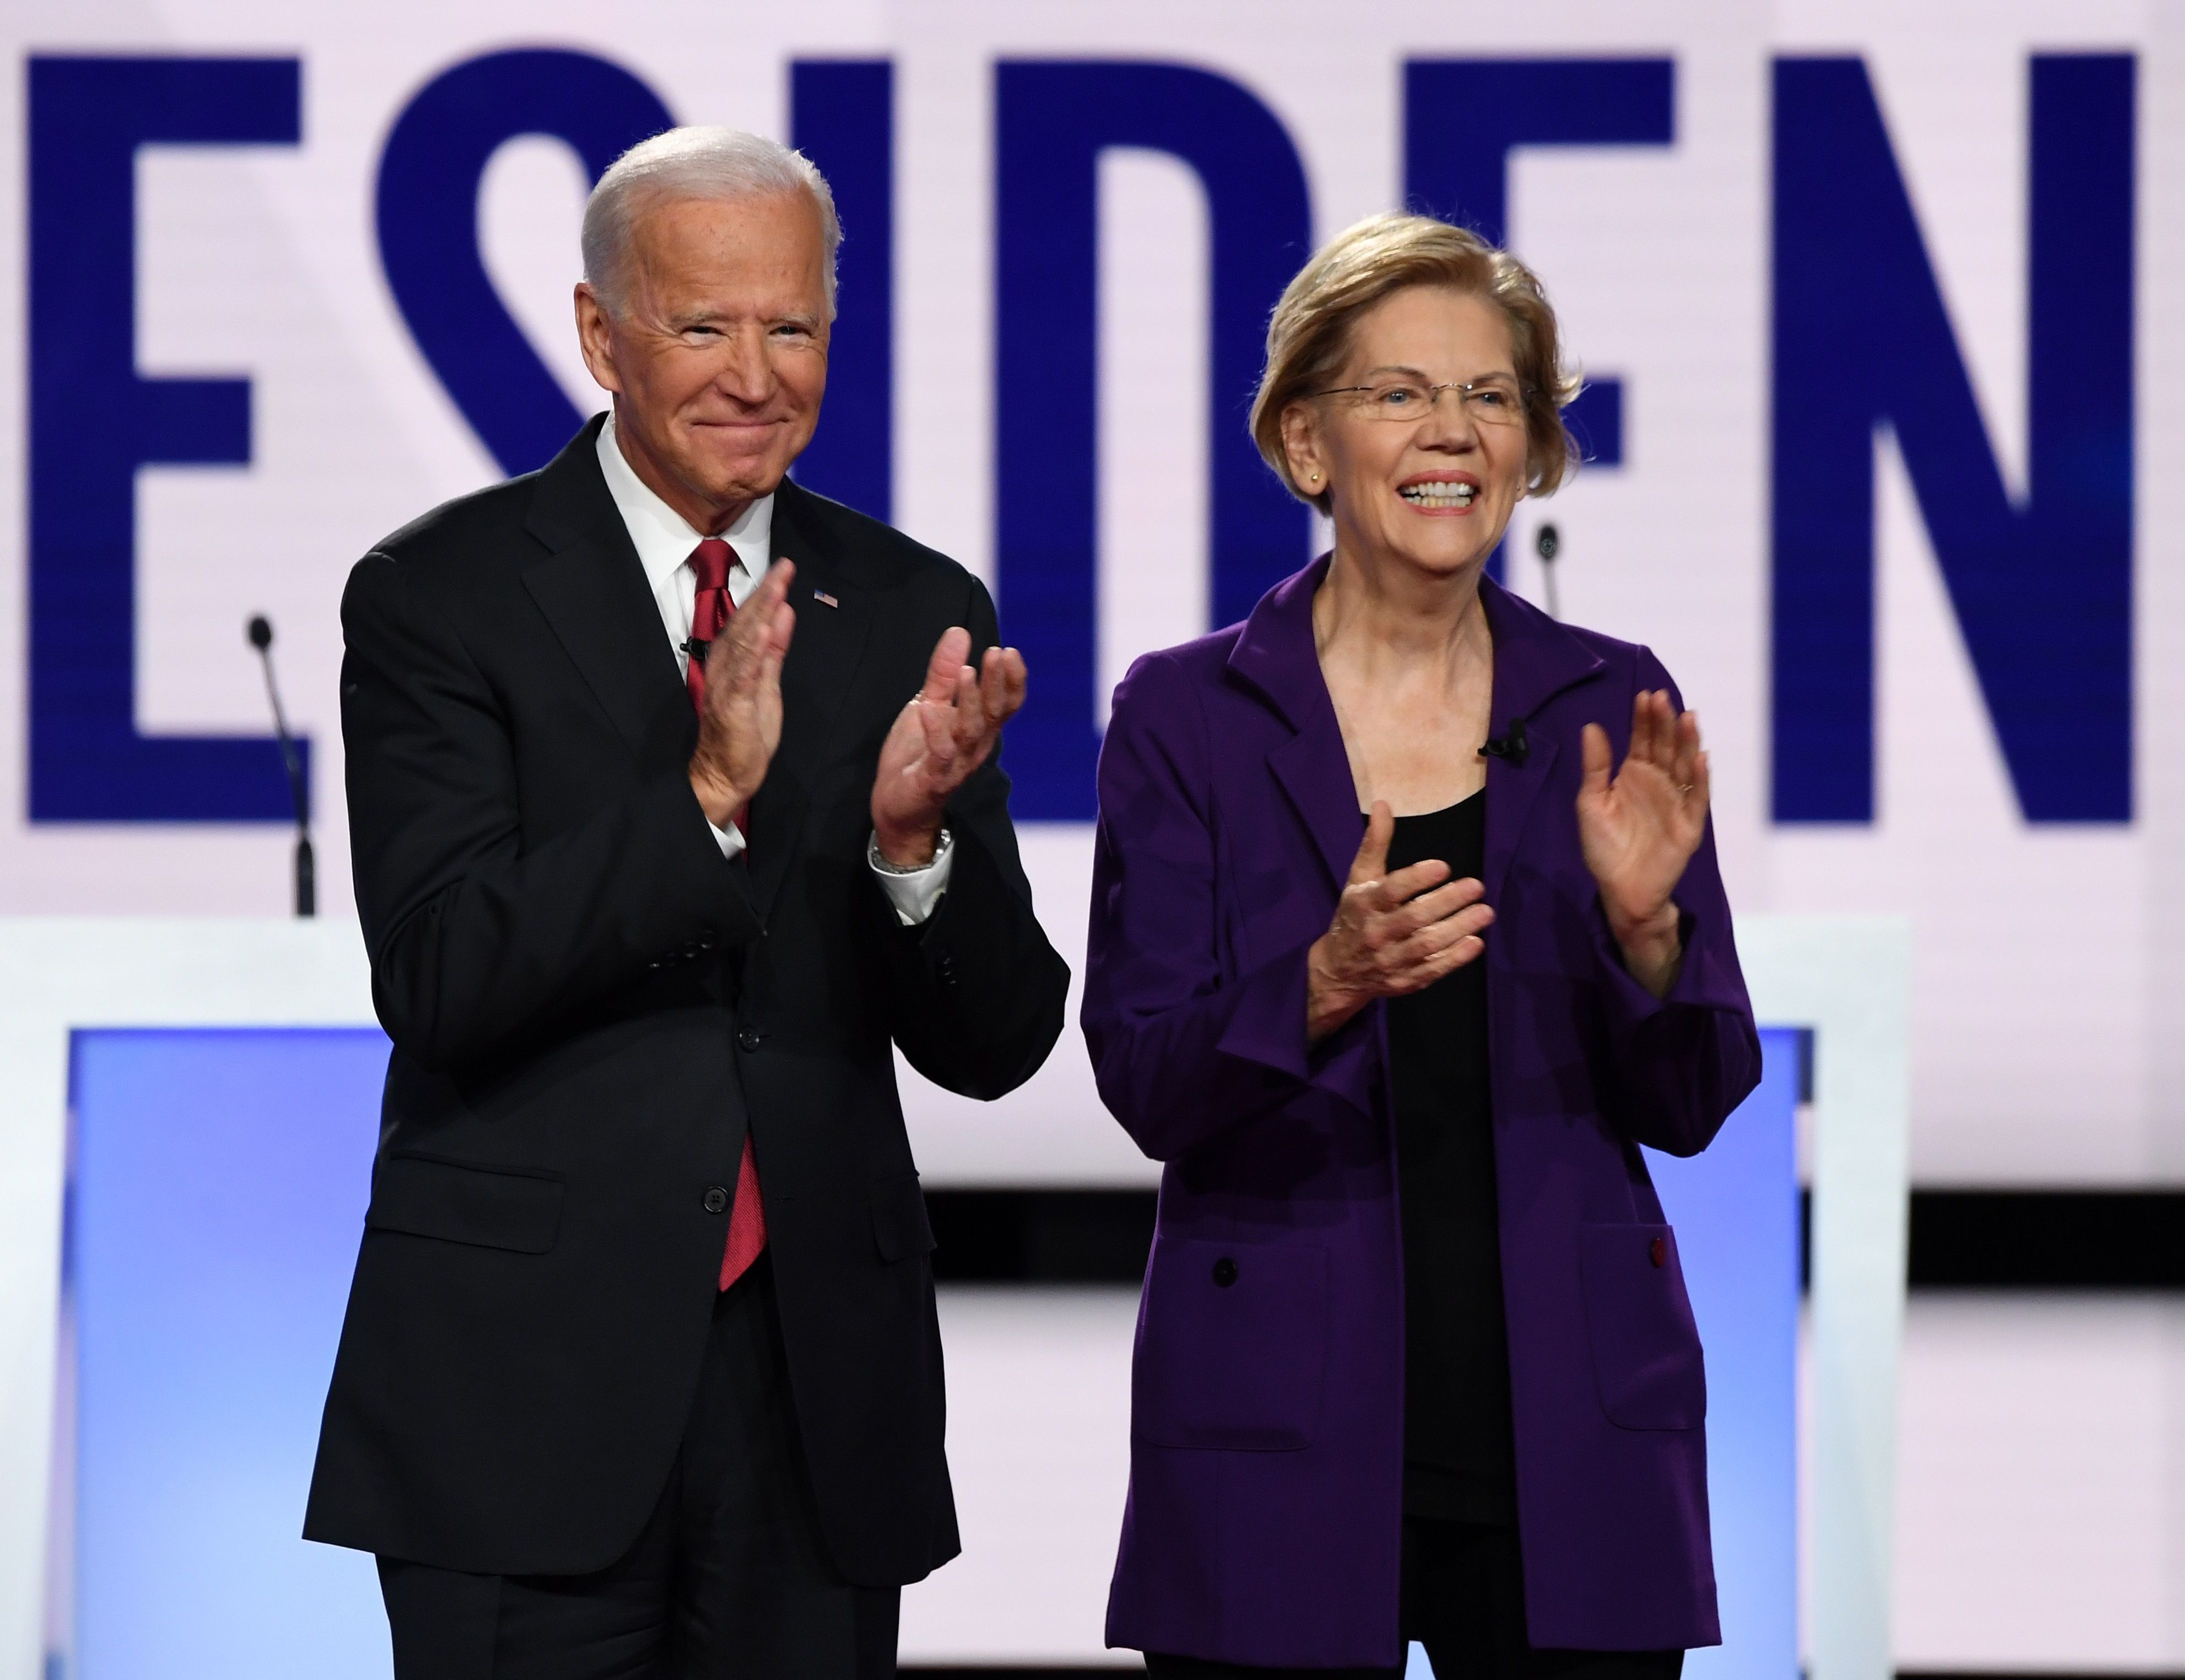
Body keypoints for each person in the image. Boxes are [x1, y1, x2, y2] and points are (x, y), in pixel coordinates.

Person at [303, 126, 1068, 1678]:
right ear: (599, 333)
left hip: (815, 1403)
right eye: (702, 325)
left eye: (789, 327)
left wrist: (911, 845)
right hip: (522, 1393)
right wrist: (703, 804)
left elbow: (997, 1039)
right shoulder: (438, 595)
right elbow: (442, 970)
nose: (754, 373)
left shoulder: (915, 609)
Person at [1083, 212, 1762, 1677]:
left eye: (1489, 393)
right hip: (1274, 1420)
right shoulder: (1186, 715)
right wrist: (1323, 980)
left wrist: (1650, 933)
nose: (1450, 429)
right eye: (1397, 391)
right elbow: (1144, 1077)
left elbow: (1697, 1098)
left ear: (1529, 446)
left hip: (1568, 1429)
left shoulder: (1608, 702)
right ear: (1306, 441)